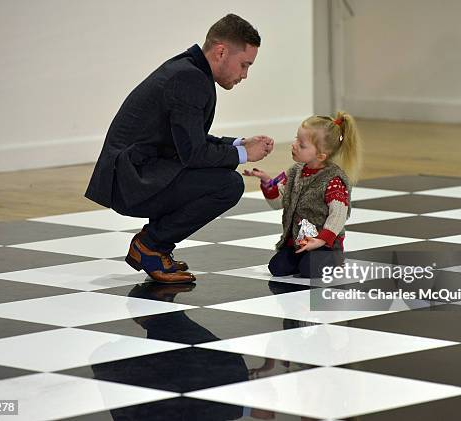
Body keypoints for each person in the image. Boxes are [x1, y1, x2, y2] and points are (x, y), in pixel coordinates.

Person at [85, 14, 274, 284]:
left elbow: (186, 140)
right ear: (221, 51)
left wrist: (236, 144)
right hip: (132, 180)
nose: (245, 74)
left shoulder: (188, 69)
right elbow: (193, 153)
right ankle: (150, 246)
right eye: (244, 65)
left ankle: (155, 245)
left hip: (139, 170)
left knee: (212, 175)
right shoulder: (190, 79)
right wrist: (243, 155)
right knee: (228, 185)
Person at [243, 112, 362, 278]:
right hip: (297, 242)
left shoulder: (333, 180)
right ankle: (303, 258)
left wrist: (321, 240)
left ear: (321, 155)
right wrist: (267, 182)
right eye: (296, 139)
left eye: (302, 144)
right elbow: (279, 202)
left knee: (309, 270)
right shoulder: (294, 172)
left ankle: (334, 259)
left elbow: (338, 216)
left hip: (324, 244)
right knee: (277, 268)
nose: (294, 145)